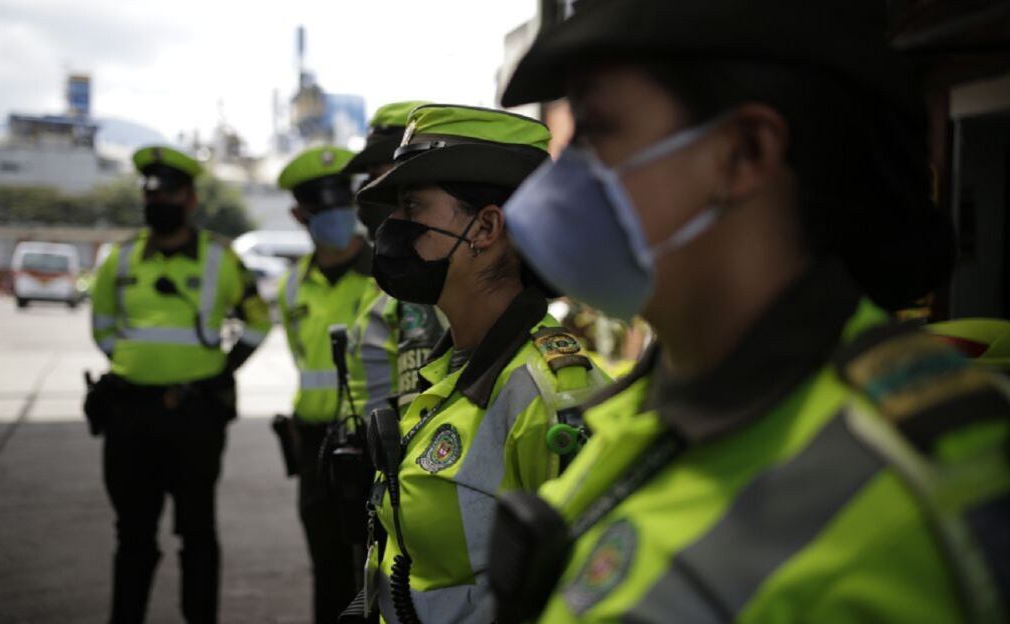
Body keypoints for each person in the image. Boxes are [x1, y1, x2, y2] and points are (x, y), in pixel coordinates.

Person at [488, 1, 1010, 622]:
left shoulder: (902, 497)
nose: (561, 181)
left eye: (597, 132)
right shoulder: (653, 403)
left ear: (744, 154)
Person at [354, 104, 611, 624]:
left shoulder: (547, 396)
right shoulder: (445, 373)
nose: (393, 227)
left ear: (485, 228)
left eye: (412, 207)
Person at [88, 145, 271, 624]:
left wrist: (223, 369)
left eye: (169, 192)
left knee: (198, 534)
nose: (158, 200)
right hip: (128, 415)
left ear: (190, 199)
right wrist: (137, 367)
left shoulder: (220, 259)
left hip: (195, 416)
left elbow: (257, 320)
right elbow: (102, 326)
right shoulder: (119, 260)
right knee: (132, 535)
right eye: (151, 191)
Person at [275, 146, 374, 624]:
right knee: (327, 567)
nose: (335, 217)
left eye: (342, 205)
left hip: (377, 439)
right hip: (315, 442)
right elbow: (302, 357)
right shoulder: (290, 286)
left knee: (379, 569)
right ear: (300, 215)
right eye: (322, 209)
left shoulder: (388, 273)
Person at [339, 100, 448, 423]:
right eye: (370, 178)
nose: (371, 191)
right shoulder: (397, 281)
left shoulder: (435, 289)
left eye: (382, 175)